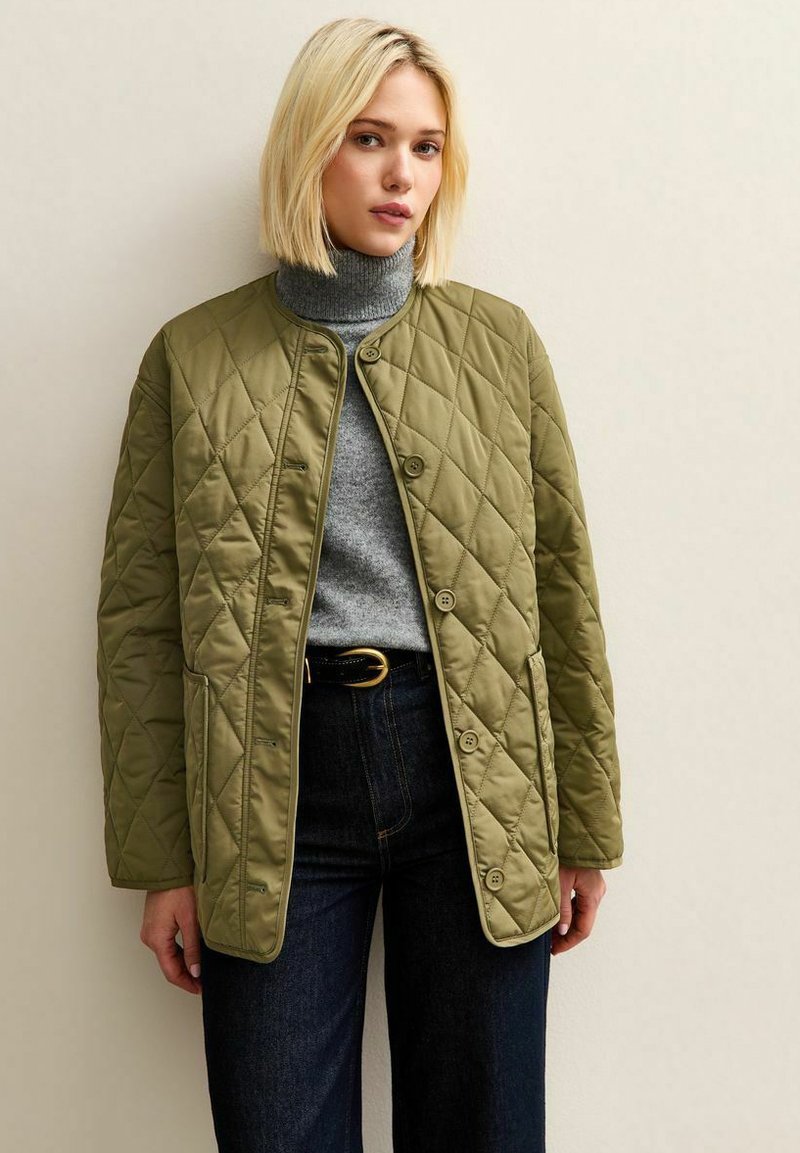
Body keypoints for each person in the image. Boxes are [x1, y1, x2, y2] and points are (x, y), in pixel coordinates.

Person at [96, 17, 624, 1153]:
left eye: (426, 148)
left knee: (482, 1126)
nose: (402, 176)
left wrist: (582, 825)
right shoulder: (192, 357)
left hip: (475, 775)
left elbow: (560, 589)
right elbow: (141, 623)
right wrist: (161, 861)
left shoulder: (497, 346)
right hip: (267, 787)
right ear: (308, 146)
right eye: (370, 138)